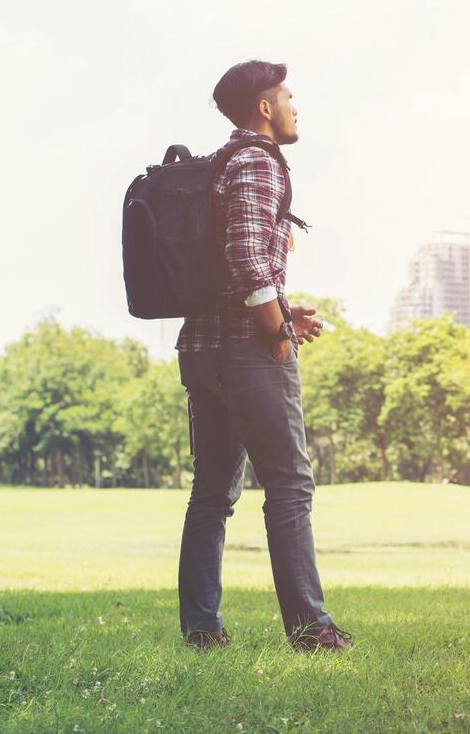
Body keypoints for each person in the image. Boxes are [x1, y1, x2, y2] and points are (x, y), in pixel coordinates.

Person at [173, 59, 351, 652]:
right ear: (265, 108)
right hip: (243, 351)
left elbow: (233, 262)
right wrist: (275, 329)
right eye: (289, 96)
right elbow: (249, 255)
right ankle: (311, 630)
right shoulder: (258, 160)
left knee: (213, 494)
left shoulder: (224, 164)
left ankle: (202, 631)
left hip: (203, 346)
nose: (296, 106)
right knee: (290, 484)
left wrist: (283, 310)